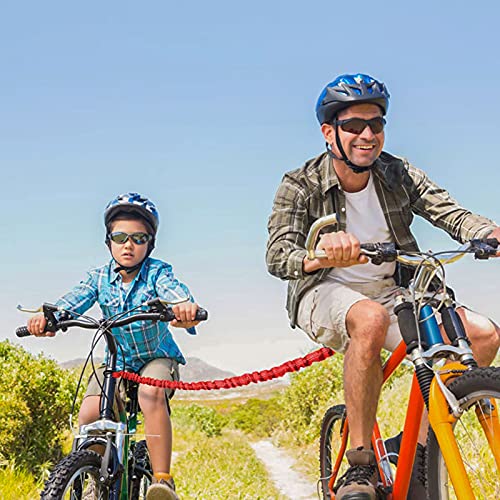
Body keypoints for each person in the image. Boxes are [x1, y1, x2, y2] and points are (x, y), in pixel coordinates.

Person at [266, 74, 500, 500]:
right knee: (368, 320)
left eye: (376, 124)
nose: (367, 134)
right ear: (329, 133)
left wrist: (486, 231)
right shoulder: (299, 183)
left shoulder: (398, 173)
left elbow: (449, 211)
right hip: (322, 289)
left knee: (482, 335)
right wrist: (319, 254)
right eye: (354, 125)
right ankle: (360, 464)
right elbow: (277, 256)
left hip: (396, 290)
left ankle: (422, 454)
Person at [27, 192, 201, 500]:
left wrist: (183, 307)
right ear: (109, 241)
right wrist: (49, 317)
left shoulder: (157, 272)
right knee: (90, 412)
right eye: (120, 237)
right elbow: (73, 300)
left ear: (150, 243)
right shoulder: (98, 278)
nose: (128, 245)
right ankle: (94, 474)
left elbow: (174, 292)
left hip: (156, 358)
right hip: (117, 362)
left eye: (139, 237)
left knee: (151, 393)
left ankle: (162, 481)